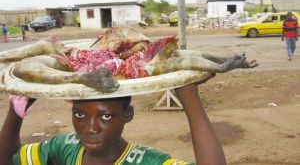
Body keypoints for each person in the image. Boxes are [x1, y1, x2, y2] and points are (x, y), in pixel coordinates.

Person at [0, 79, 227, 164]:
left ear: (128, 114)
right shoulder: (65, 148)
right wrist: (16, 112)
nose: (89, 129)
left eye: (106, 116)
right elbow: (7, 159)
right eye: (79, 114)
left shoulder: (147, 162)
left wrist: (189, 96)